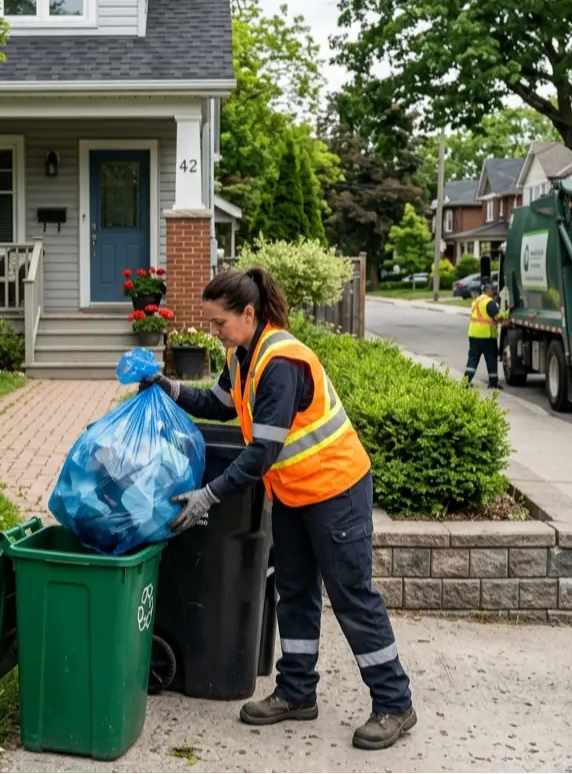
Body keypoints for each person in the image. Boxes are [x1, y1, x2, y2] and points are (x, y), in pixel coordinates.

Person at [140, 267, 416, 751]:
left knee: (351, 595)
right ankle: (296, 692)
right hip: (292, 493)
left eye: (218, 323)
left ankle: (395, 701)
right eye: (209, 324)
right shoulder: (241, 353)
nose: (213, 332)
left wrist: (208, 496)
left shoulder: (282, 362)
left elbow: (260, 453)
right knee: (293, 591)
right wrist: (169, 388)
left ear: (249, 314)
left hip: (336, 489)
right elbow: (223, 404)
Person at [465, 278, 504, 389]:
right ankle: (493, 383)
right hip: (486, 336)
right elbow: (496, 317)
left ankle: (466, 381)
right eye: (493, 289)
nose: (494, 291)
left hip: (473, 334)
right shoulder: (489, 303)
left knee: (473, 358)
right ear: (488, 290)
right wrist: (505, 315)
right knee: (491, 359)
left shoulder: (476, 301)